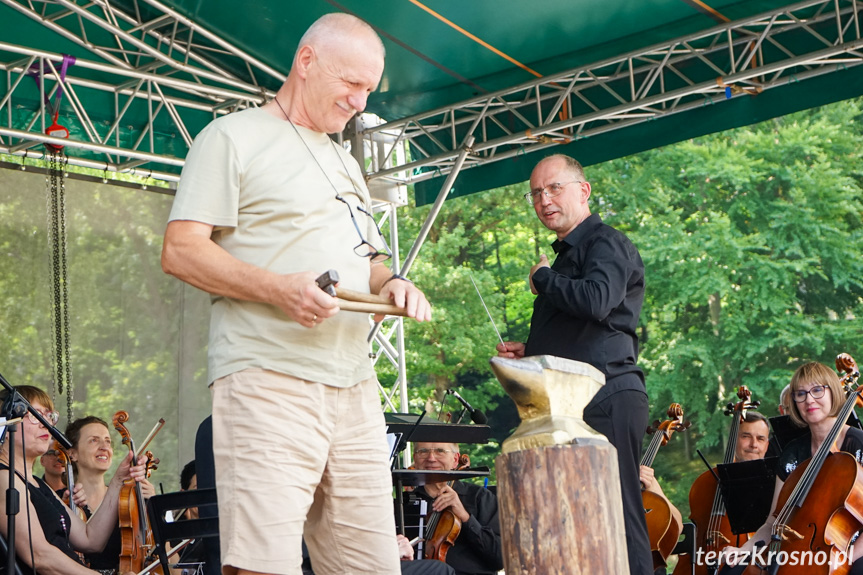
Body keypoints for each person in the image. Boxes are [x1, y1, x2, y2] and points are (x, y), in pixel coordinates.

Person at [161, 12, 431, 575]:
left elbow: (372, 260)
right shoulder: (231, 136)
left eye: (369, 89)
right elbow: (181, 250)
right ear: (306, 61)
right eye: (351, 83)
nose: (360, 101)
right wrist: (280, 290)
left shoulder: (344, 159)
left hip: (354, 387)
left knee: (376, 567)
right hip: (268, 380)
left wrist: (395, 283)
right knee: (261, 564)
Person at [496, 154, 650, 574]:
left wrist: (542, 278)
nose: (544, 199)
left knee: (619, 511)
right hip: (576, 402)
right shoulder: (569, 254)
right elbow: (583, 333)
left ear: (583, 190)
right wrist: (532, 351)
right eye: (536, 193)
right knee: (584, 514)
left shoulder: (605, 241)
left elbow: (598, 301)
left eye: (554, 188)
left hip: (608, 393)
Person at [719, 362, 863, 574]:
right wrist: (744, 549)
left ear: (833, 391)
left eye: (817, 390)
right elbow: (774, 521)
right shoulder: (793, 452)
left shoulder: (859, 444)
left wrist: (846, 558)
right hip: (804, 549)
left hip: (853, 549)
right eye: (800, 394)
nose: (809, 400)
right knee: (732, 569)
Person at [0, 385, 147, 575]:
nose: (46, 423)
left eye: (48, 416)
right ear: (6, 421)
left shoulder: (38, 483)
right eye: (35, 415)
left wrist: (118, 480)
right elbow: (39, 556)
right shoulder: (5, 478)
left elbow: (90, 539)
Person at [66, 415, 157, 572]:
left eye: (107, 441)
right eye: (94, 440)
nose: (104, 447)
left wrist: (154, 507)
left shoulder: (129, 501)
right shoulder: (61, 500)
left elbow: (169, 560)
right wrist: (65, 507)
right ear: (72, 454)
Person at [409, 442, 502, 575]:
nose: (431, 458)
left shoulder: (480, 497)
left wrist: (465, 516)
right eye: (423, 451)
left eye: (440, 451)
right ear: (415, 459)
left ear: (455, 460)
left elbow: (499, 558)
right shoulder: (404, 503)